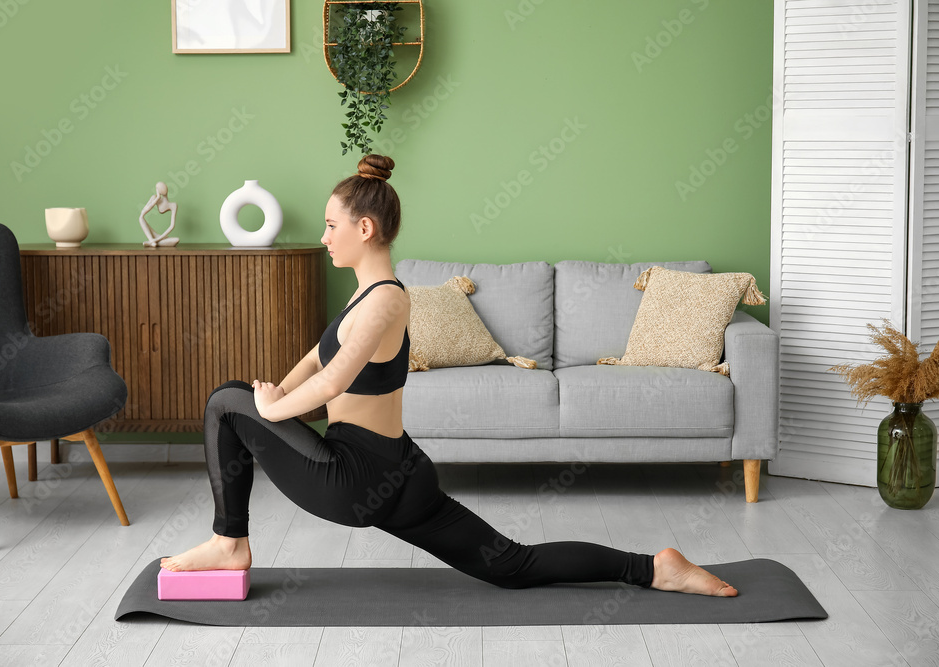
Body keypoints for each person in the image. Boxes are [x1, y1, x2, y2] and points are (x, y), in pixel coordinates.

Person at [161, 154, 738, 598]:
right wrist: (282, 391)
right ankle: (654, 569)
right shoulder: (364, 294)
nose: (324, 235)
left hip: (357, 478)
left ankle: (229, 542)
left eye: (331, 224)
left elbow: (334, 380)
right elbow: (317, 359)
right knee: (513, 566)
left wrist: (268, 409)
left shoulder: (387, 301)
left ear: (364, 229)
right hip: (398, 472)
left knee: (224, 402)